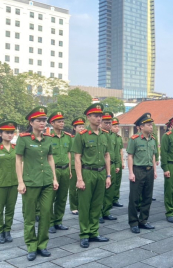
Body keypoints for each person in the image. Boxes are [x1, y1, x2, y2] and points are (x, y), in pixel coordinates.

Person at [16, 106, 59, 261]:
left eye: (44, 120)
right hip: (30, 182)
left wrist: (54, 178)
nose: (42, 123)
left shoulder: (48, 139)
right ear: (31, 122)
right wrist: (20, 182)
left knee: (46, 213)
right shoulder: (24, 138)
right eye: (39, 120)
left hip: (47, 181)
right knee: (29, 216)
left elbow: (50, 159)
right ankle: (31, 246)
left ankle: (42, 245)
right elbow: (18, 159)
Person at [72, 103, 112, 248]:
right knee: (85, 205)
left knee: (96, 204)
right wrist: (79, 179)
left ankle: (94, 232)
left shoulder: (104, 135)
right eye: (96, 116)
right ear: (88, 117)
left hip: (101, 173)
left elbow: (107, 155)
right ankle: (84, 234)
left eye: (100, 116)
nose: (99, 118)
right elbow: (77, 158)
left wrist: (108, 175)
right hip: (87, 172)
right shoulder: (81, 135)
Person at [127, 113, 157, 233]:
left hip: (149, 170)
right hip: (138, 170)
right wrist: (131, 172)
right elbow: (130, 156)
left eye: (151, 125)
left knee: (147, 197)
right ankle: (133, 222)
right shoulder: (134, 139)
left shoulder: (152, 140)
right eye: (149, 125)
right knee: (134, 198)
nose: (151, 127)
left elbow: (153, 156)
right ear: (141, 127)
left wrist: (154, 170)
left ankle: (143, 220)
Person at [48, 111, 73, 234]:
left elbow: (69, 153)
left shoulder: (67, 137)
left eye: (63, 121)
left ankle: (58, 221)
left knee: (62, 197)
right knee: (50, 198)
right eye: (59, 121)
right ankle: (50, 222)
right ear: (52, 123)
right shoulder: (47, 137)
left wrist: (69, 169)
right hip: (53, 170)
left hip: (65, 170)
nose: (62, 123)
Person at [99, 111, 118, 223]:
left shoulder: (113, 135)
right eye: (106, 122)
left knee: (110, 191)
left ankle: (106, 211)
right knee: (101, 191)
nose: (108, 125)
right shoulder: (100, 134)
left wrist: (118, 165)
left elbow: (116, 151)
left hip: (112, 165)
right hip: (102, 166)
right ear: (101, 123)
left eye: (110, 122)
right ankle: (99, 213)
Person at [69, 117, 85, 215]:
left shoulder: (85, 137)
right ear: (74, 128)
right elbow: (70, 154)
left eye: (83, 126)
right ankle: (73, 206)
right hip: (74, 166)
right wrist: (70, 168)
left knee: (82, 187)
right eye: (79, 127)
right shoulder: (71, 139)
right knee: (73, 188)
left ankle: (80, 204)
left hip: (84, 166)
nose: (82, 128)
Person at [112, 117, 124, 208]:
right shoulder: (108, 136)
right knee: (111, 182)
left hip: (118, 162)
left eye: (118, 126)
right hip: (111, 162)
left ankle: (115, 199)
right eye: (115, 126)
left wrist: (122, 162)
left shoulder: (119, 138)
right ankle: (109, 200)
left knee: (117, 182)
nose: (117, 128)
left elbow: (120, 151)